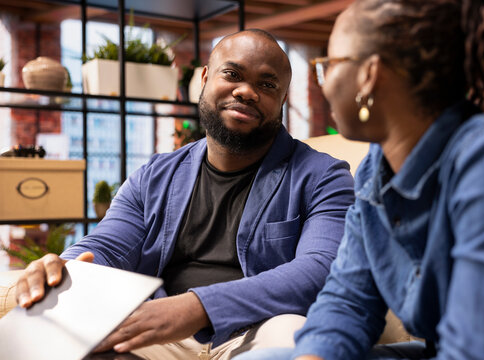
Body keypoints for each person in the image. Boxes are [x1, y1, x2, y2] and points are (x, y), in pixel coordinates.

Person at [15, 29, 355, 359]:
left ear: (282, 99)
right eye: (232, 74)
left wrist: (199, 307)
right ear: (205, 78)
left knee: (294, 336)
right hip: (159, 331)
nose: (247, 91)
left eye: (267, 84)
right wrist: (62, 266)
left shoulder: (324, 175)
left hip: (259, 329)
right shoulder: (154, 175)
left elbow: (320, 269)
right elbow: (107, 247)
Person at [234, 1, 484, 359]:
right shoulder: (376, 167)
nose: (325, 83)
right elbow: (348, 299)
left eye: (329, 65)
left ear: (369, 75)